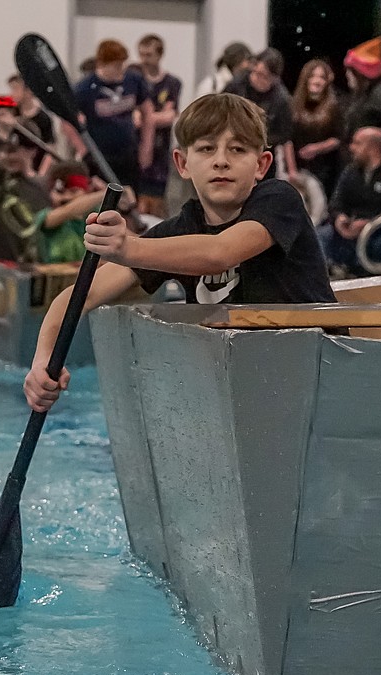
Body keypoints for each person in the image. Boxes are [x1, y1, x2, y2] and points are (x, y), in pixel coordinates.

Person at [24, 93, 335, 413]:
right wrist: (42, 360)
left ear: (262, 165)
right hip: (246, 386)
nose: (221, 160)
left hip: (321, 372)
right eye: (206, 148)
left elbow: (220, 252)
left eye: (238, 149)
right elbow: (79, 296)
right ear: (183, 164)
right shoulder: (178, 230)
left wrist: (129, 247)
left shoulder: (279, 200)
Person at [317, 127, 381, 275]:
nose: (351, 148)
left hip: (380, 231)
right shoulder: (350, 172)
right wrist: (340, 218)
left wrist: (370, 224)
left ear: (371, 147)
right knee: (320, 235)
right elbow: (336, 202)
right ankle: (327, 275)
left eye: (357, 143)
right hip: (350, 231)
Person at [70, 39, 154, 191]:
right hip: (100, 155)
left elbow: (147, 111)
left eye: (123, 64)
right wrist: (83, 149)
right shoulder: (85, 88)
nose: (121, 70)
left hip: (128, 152)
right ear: (102, 64)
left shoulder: (133, 80)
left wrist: (146, 146)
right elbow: (67, 121)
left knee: (129, 195)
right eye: (116, 66)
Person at [0, 115, 50, 263]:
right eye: (5, 151)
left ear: (32, 151)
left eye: (14, 151)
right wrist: (1, 135)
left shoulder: (44, 186)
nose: (8, 157)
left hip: (31, 265)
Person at [224, 48, 296, 179]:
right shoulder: (236, 85)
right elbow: (220, 112)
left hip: (262, 156)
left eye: (265, 76)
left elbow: (285, 134)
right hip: (231, 150)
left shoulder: (281, 98)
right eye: (256, 73)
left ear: (274, 78)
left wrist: (256, 139)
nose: (257, 79)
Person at [133, 34, 183, 217]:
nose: (144, 60)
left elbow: (170, 114)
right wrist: (151, 117)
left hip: (159, 151)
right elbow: (133, 114)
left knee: (156, 202)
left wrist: (146, 118)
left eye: (148, 55)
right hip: (135, 149)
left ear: (159, 55)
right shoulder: (135, 80)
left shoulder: (171, 83)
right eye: (141, 55)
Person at [32, 161, 109, 264]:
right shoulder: (46, 216)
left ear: (87, 190)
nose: (67, 197)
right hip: (56, 277)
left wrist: (127, 208)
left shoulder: (97, 213)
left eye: (73, 191)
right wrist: (108, 193)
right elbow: (68, 211)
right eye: (60, 192)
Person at [291, 59, 344, 199]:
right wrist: (291, 170)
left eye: (322, 77)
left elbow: (339, 138)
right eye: (313, 76)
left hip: (325, 168)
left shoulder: (335, 107)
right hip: (297, 167)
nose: (317, 81)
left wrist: (316, 148)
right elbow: (287, 138)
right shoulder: (293, 105)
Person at [343, 38, 381, 146]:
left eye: (352, 71)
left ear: (361, 74)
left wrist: (376, 141)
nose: (347, 75)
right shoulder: (363, 94)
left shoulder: (379, 94)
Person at [7, 74, 57, 177]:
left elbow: (50, 148)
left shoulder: (43, 118)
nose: (12, 94)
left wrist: (41, 174)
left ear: (28, 91)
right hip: (17, 169)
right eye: (11, 89)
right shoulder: (12, 115)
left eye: (16, 89)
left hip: (37, 169)